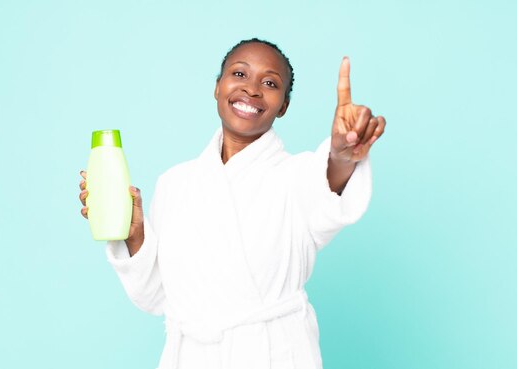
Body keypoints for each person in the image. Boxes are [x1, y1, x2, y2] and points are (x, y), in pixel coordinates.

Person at [78, 38, 386, 369]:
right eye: (239, 74)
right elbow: (156, 297)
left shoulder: (297, 176)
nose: (252, 89)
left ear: (283, 105)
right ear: (217, 87)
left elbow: (328, 182)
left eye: (270, 83)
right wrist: (134, 236)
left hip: (273, 356)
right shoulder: (175, 183)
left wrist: (341, 154)